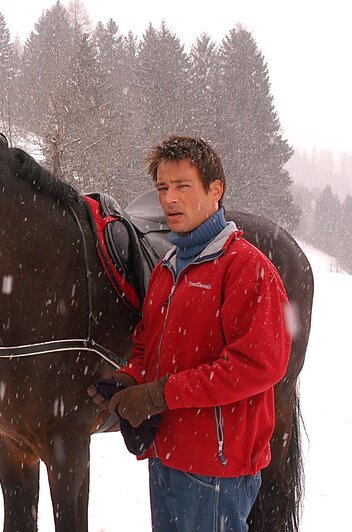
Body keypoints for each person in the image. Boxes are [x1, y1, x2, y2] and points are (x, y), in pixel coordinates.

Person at [87, 135, 291, 532]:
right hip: (167, 457)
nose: (169, 199)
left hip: (217, 473)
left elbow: (256, 367)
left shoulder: (247, 270)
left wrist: (161, 394)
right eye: (163, 188)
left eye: (183, 186)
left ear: (216, 190)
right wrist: (131, 377)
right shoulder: (168, 268)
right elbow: (150, 345)